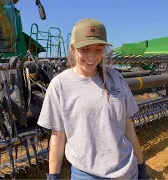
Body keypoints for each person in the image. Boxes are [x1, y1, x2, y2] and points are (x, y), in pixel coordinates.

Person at [37, 18, 150, 180]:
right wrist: (53, 176)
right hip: (87, 175)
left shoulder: (115, 79)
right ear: (73, 49)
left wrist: (141, 165)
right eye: (85, 49)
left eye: (98, 49)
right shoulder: (60, 85)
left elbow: (128, 127)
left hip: (127, 171)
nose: (92, 56)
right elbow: (58, 137)